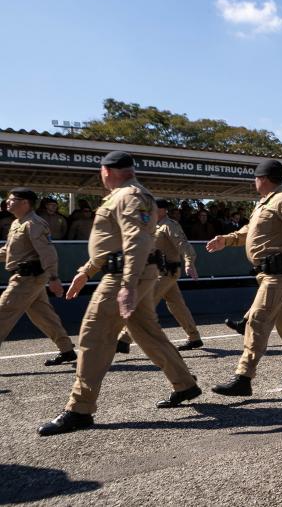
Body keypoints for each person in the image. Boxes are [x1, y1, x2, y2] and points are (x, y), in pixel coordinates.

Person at [38, 152, 202, 436]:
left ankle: (80, 408)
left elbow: (136, 241)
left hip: (125, 275)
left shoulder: (130, 196)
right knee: (146, 333)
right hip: (131, 272)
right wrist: (87, 271)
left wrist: (127, 284)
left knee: (94, 335)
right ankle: (184, 383)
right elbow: (110, 242)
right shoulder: (125, 195)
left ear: (107, 170)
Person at [206, 159, 282, 396]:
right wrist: (226, 240)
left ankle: (243, 377)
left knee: (258, 322)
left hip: (279, 273)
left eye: (256, 177)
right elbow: (249, 232)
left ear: (263, 178)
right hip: (269, 273)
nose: (254, 182)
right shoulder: (263, 204)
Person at [0, 187, 76, 366]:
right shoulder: (17, 223)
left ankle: (66, 349)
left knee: (3, 312)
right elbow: (9, 251)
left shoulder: (34, 223)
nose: (7, 202)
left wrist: (54, 278)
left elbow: (47, 252)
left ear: (24, 203)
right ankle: (67, 350)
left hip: (28, 278)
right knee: (44, 316)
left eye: (12, 199)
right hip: (25, 277)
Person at [115, 199, 204, 352]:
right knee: (177, 306)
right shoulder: (154, 226)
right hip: (160, 272)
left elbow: (183, 244)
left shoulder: (170, 225)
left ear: (162, 210)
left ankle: (124, 339)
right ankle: (194, 337)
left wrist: (189, 262)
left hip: (167, 273)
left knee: (144, 304)